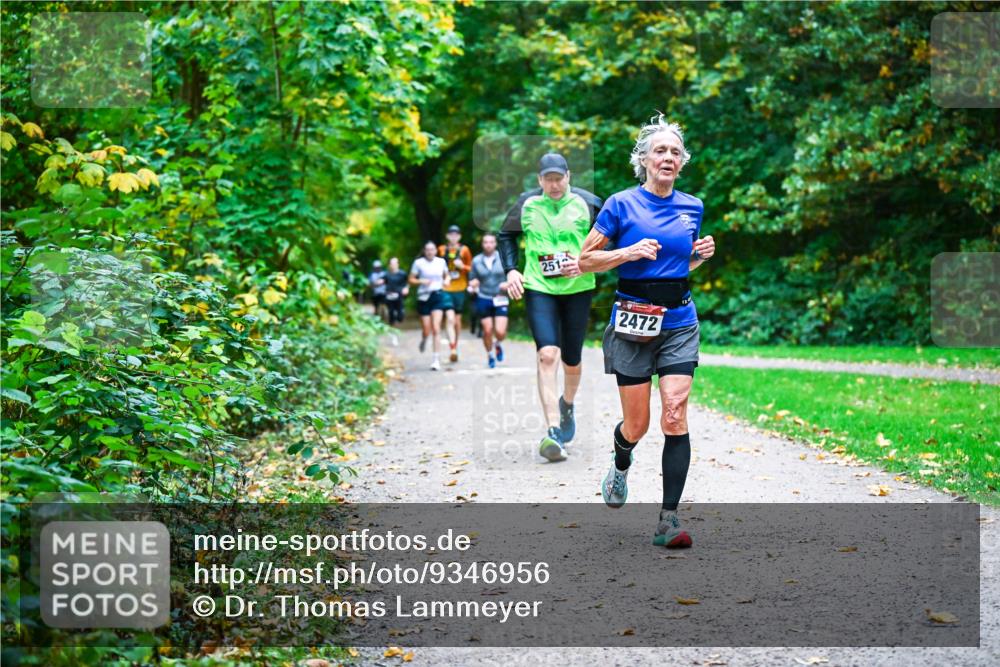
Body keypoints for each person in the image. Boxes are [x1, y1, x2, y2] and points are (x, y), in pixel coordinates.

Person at [578, 114, 716, 548]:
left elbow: (678, 264)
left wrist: (698, 257)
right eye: (660, 150)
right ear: (644, 159)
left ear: (683, 161)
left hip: (679, 320)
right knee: (636, 425)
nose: (668, 157)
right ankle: (621, 463)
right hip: (633, 322)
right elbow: (585, 260)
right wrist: (628, 251)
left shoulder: (692, 206)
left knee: (674, 412)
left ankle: (668, 520)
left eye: (676, 151)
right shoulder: (621, 204)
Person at [499, 153, 603, 462]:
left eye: (559, 178)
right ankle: (553, 431)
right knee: (548, 355)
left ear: (569, 176)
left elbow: (610, 241)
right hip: (539, 287)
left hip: (577, 288)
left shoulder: (590, 203)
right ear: (539, 180)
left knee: (572, 359)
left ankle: (567, 404)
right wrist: (511, 270)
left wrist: (585, 264)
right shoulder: (526, 204)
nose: (554, 184)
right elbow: (505, 236)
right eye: (548, 179)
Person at [409, 241, 454, 371]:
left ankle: (436, 359)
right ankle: (424, 338)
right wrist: (421, 280)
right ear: (424, 251)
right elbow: (411, 279)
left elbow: (447, 276)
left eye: (432, 249)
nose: (430, 252)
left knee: (436, 328)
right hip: (423, 297)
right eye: (427, 250)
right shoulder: (418, 263)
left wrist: (446, 280)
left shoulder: (441, 262)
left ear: (435, 251)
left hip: (437, 296)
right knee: (427, 329)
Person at [468, 232, 509, 369]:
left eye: (491, 242)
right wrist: (473, 283)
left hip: (500, 297)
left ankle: (497, 344)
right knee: (487, 330)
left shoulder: (503, 258)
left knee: (500, 331)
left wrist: (507, 283)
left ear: (495, 244)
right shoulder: (476, 260)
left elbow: (511, 275)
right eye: (485, 242)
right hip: (484, 297)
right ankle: (490, 354)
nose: (488, 245)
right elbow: (472, 279)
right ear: (482, 244)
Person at [438, 225, 473, 363]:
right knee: (450, 318)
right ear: (447, 236)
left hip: (460, 288)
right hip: (445, 288)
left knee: (457, 321)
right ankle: (452, 348)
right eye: (451, 234)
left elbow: (471, 268)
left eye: (456, 234)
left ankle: (455, 345)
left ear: (459, 236)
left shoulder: (465, 250)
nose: (453, 237)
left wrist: (462, 266)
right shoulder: (441, 250)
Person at [384, 257, 409, 346]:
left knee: (400, 316)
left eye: (395, 263)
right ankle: (393, 334)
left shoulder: (402, 274)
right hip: (389, 297)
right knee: (391, 315)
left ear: (398, 264)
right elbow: (382, 281)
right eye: (391, 263)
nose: (393, 265)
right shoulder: (386, 274)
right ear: (389, 265)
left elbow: (407, 283)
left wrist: (406, 288)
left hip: (399, 297)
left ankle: (398, 321)